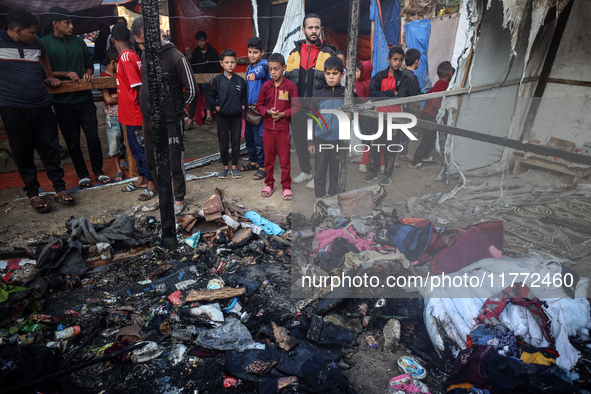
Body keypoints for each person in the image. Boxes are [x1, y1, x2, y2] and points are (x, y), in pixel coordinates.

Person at [0, 7, 74, 212]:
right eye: (32, 33)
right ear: (17, 30)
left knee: (50, 148)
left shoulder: (36, 43)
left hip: (41, 105)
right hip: (13, 108)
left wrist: (49, 74)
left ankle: (60, 189)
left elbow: (43, 56)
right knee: (23, 152)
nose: (35, 36)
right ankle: (33, 194)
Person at [132, 17, 197, 215]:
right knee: (152, 159)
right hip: (149, 118)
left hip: (170, 120)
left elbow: (192, 89)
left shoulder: (176, 57)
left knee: (174, 160)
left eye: (144, 42)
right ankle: (162, 195)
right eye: (139, 43)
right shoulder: (144, 55)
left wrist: (178, 107)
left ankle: (179, 198)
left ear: (156, 35)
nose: (142, 47)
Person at [42, 6, 108, 188]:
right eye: (67, 22)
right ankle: (83, 175)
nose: (71, 26)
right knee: (72, 141)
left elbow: (88, 64)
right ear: (55, 24)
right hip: (63, 103)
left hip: (85, 100)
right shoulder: (44, 43)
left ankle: (99, 172)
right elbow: (44, 71)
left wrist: (88, 74)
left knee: (93, 137)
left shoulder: (78, 42)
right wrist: (64, 74)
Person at [285, 13, 335, 188]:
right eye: (310, 27)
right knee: (299, 140)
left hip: (318, 109)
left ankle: (319, 176)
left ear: (320, 29)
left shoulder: (329, 54)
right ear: (303, 30)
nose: (314, 31)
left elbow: (334, 82)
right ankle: (306, 171)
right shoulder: (294, 53)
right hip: (298, 108)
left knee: (319, 143)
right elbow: (287, 80)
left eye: (317, 27)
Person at [111, 23, 156, 201]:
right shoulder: (132, 55)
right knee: (137, 150)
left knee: (142, 150)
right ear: (130, 38)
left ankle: (151, 184)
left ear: (112, 40)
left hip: (136, 115)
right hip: (130, 115)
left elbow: (138, 88)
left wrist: (144, 113)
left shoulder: (126, 58)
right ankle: (142, 179)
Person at [256, 53, 300, 201]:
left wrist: (283, 114)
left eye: (276, 69)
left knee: (284, 160)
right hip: (268, 129)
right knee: (268, 159)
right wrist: (267, 112)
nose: (273, 72)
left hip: (283, 130)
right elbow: (258, 105)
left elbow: (297, 107)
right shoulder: (266, 86)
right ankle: (269, 184)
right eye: (270, 69)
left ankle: (286, 187)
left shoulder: (290, 86)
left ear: (284, 68)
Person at [363, 46, 405, 187]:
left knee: (390, 147)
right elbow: (372, 95)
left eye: (400, 60)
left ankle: (387, 174)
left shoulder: (403, 78)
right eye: (395, 59)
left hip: (395, 118)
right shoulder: (379, 76)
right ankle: (373, 172)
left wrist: (384, 95)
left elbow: (403, 96)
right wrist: (391, 93)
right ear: (389, 60)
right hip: (378, 116)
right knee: (375, 145)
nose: (397, 62)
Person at [309, 56, 345, 202]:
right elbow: (311, 119)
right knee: (320, 170)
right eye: (328, 73)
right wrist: (310, 141)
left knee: (336, 170)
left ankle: (333, 196)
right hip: (320, 139)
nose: (331, 77)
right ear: (324, 74)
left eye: (335, 74)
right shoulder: (318, 95)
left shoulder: (346, 95)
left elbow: (356, 111)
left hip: (339, 140)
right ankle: (319, 197)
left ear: (342, 75)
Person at [208, 49, 247, 179]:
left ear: (236, 63)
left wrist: (242, 106)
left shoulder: (240, 81)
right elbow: (211, 96)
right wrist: (217, 108)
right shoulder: (218, 80)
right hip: (222, 116)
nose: (230, 65)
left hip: (236, 116)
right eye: (227, 62)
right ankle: (225, 167)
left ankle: (234, 167)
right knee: (223, 142)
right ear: (221, 63)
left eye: (232, 62)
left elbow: (244, 97)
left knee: (236, 141)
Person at [408, 61, 454, 170]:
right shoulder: (444, 85)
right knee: (427, 138)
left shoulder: (438, 84)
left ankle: (425, 156)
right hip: (430, 115)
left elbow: (429, 96)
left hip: (427, 113)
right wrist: (439, 115)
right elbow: (435, 102)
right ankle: (415, 162)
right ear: (449, 73)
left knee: (432, 137)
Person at [241, 36, 269, 181]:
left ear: (262, 53)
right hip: (249, 110)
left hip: (260, 110)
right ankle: (253, 162)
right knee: (249, 138)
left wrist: (254, 74)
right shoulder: (248, 67)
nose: (252, 55)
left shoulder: (264, 65)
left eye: (255, 52)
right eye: (250, 52)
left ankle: (263, 168)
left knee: (260, 139)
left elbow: (261, 71)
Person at [100, 46, 124, 182]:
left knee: (126, 142)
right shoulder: (103, 77)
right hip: (112, 116)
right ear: (113, 62)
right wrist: (123, 98)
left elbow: (111, 98)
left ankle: (126, 166)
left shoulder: (120, 74)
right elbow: (108, 100)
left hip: (123, 114)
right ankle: (118, 169)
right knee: (114, 143)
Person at [187, 30, 220, 128]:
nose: (200, 43)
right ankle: (190, 120)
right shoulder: (195, 52)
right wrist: (198, 75)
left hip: (209, 80)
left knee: (206, 87)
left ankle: (209, 114)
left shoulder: (213, 52)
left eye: (202, 40)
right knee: (193, 92)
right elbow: (192, 66)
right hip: (197, 79)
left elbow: (217, 67)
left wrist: (207, 74)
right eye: (198, 41)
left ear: (206, 40)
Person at [397, 48, 422, 162]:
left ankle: (399, 152)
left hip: (397, 106)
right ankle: (403, 153)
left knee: (398, 130)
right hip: (406, 106)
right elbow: (415, 94)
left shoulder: (400, 74)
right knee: (405, 129)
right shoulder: (411, 76)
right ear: (416, 61)